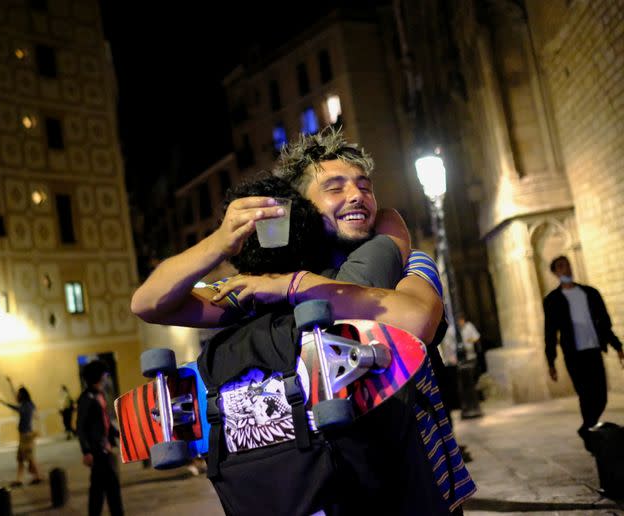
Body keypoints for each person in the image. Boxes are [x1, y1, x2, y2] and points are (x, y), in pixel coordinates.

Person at [132, 130, 473, 514]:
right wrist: (220, 242)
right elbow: (149, 302)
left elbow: (418, 319)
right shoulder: (264, 287)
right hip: (329, 491)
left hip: (417, 489)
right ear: (301, 209)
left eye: (365, 186)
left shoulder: (410, 263)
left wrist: (294, 286)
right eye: (335, 187)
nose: (357, 195)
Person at [543, 255, 624, 441]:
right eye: (561, 267)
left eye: (568, 265)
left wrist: (617, 346)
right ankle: (590, 431)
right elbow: (550, 332)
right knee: (585, 394)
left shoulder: (590, 293)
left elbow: (604, 324)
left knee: (601, 394)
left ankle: (587, 428)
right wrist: (551, 361)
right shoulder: (553, 300)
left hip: (593, 349)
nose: (566, 269)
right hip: (574, 353)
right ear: (555, 273)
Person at [77, 360, 124, 516]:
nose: (106, 378)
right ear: (98, 376)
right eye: (105, 374)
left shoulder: (100, 395)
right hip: (97, 451)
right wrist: (86, 451)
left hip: (105, 449)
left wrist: (120, 434)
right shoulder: (86, 398)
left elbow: (106, 423)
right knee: (106, 488)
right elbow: (81, 427)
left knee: (102, 488)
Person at [2, 377, 43, 486]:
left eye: (19, 394)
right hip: (22, 436)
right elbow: (15, 398)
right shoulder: (26, 404)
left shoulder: (27, 405)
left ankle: (38, 476)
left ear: (23, 395)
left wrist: (7, 404)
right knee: (20, 459)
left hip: (27, 435)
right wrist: (11, 383)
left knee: (30, 458)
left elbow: (18, 408)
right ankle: (19, 480)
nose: (17, 396)